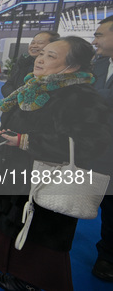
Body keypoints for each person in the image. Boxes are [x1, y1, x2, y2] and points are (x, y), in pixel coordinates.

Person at [0, 36, 110, 291]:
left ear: (71, 67)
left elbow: (92, 142)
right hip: (11, 174)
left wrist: (27, 141)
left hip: (41, 180)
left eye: (51, 56)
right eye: (42, 53)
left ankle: (31, 282)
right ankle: (9, 269)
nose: (40, 58)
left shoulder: (80, 96)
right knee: (8, 227)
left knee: (37, 237)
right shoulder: (36, 86)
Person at [91, 16, 113, 282]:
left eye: (100, 35)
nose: (95, 40)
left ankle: (107, 256)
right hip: (96, 148)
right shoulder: (98, 65)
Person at [1, 31, 59, 97]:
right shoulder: (23, 61)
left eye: (40, 43)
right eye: (32, 43)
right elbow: (8, 84)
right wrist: (16, 98)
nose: (34, 46)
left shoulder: (55, 68)